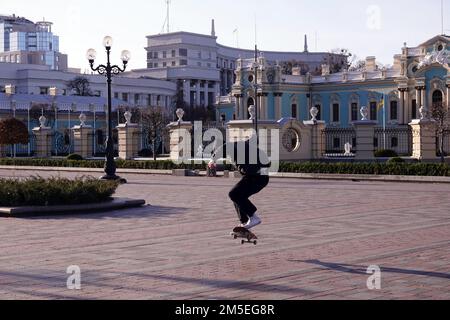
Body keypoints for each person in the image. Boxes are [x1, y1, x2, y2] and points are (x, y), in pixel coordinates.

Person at [210, 138, 271, 230]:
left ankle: (253, 218)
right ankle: (245, 222)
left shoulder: (230, 146)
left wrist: (212, 160)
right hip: (258, 177)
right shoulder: (239, 146)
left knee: (234, 194)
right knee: (237, 196)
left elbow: (225, 147)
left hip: (257, 178)